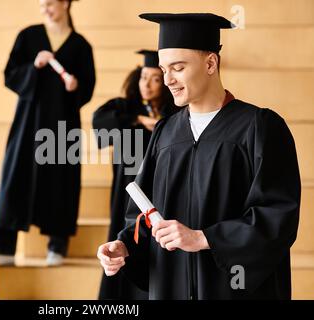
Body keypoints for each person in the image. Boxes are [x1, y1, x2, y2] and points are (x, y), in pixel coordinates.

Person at [97, 13, 301, 300]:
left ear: (210, 63)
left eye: (178, 68)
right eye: (163, 69)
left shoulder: (258, 127)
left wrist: (203, 238)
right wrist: (124, 247)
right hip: (172, 285)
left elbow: (277, 215)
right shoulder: (165, 132)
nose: (167, 80)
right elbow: (142, 216)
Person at [0, 0, 96, 266]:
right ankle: (4, 245)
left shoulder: (81, 45)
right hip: (29, 122)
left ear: (64, 3)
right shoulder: (29, 36)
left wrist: (76, 86)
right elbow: (10, 75)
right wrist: (34, 66)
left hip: (62, 124)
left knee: (61, 178)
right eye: (41, 4)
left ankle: (57, 244)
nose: (45, 9)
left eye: (50, 3)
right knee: (18, 175)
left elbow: (88, 86)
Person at [93, 50, 178, 299]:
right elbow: (100, 122)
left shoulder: (172, 112)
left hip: (160, 191)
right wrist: (138, 120)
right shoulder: (124, 107)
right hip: (126, 190)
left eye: (154, 78)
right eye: (143, 77)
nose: (147, 84)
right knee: (122, 241)